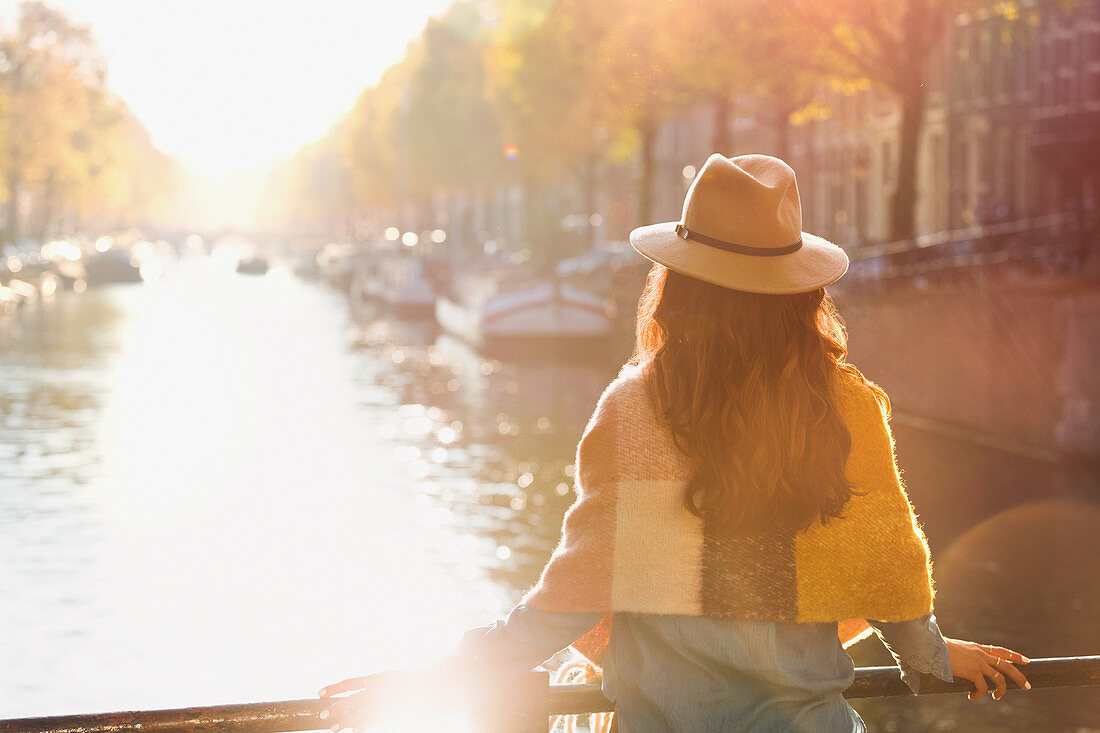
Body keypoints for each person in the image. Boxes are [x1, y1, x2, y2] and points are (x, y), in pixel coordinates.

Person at [318, 154, 1031, 732]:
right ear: (799, 291)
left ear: (678, 286)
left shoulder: (635, 410)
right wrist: (932, 654)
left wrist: (436, 678)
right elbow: (885, 568)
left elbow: (570, 600)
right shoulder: (846, 407)